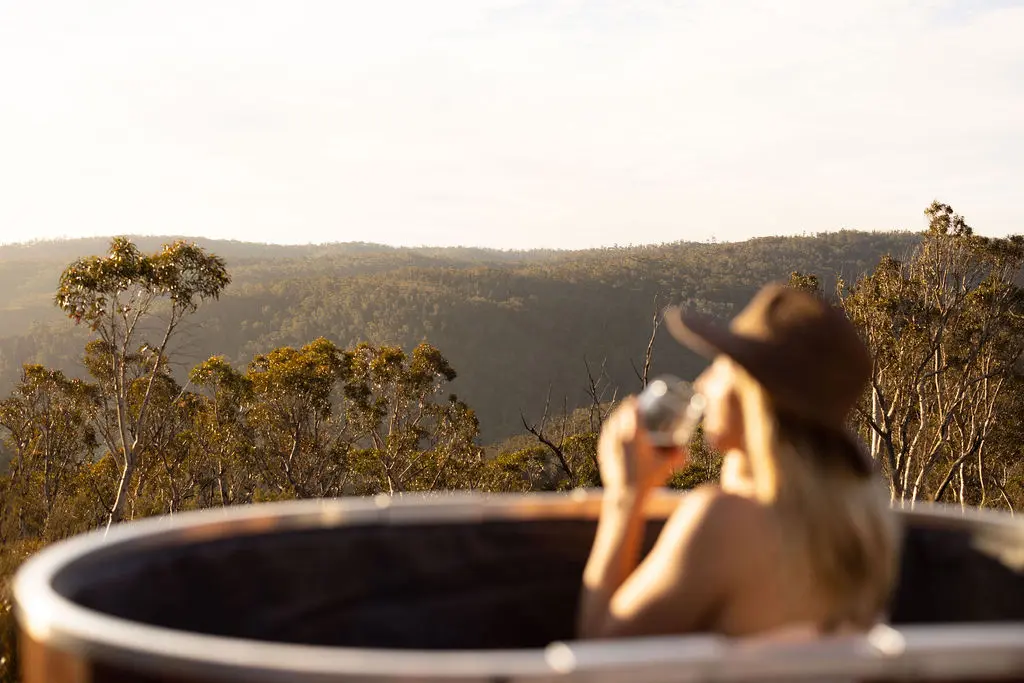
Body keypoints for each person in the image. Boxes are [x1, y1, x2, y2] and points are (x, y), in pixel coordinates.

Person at [576, 283, 901, 640]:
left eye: (720, 365)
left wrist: (626, 496)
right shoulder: (864, 519)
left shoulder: (724, 521)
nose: (703, 382)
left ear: (750, 392)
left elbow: (599, 653)